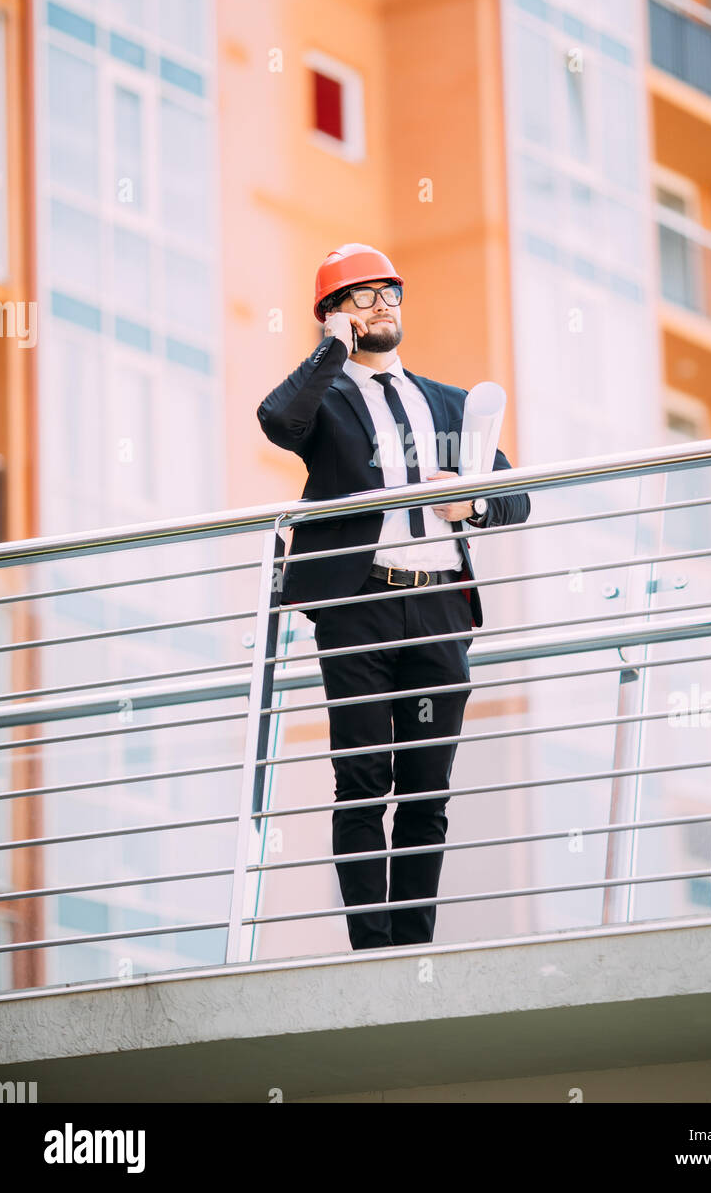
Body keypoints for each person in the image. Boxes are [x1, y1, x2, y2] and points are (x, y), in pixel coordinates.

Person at [256, 242, 530, 950]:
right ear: (332, 315)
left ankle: (412, 949)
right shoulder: (325, 400)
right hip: (358, 606)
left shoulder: (450, 402)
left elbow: (516, 499)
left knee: (426, 790)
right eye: (361, 296)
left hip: (439, 606)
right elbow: (278, 421)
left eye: (390, 293)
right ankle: (370, 950)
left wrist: (469, 509)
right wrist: (329, 355)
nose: (382, 304)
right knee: (362, 780)